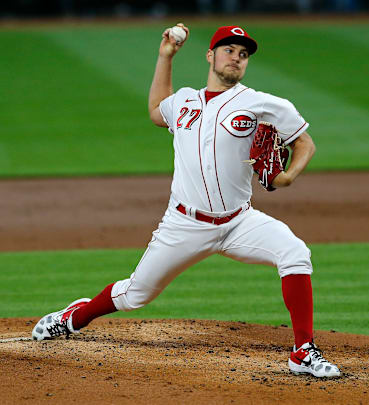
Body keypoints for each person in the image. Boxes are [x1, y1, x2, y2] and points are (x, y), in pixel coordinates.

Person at [32, 23, 340, 378]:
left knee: (295, 252)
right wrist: (166, 57)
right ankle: (74, 317)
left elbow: (305, 142)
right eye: (228, 51)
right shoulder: (183, 102)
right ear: (210, 56)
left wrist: (288, 175)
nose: (236, 59)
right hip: (184, 224)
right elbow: (155, 111)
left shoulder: (263, 104)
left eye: (243, 55)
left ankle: (303, 352)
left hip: (240, 221)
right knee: (136, 295)